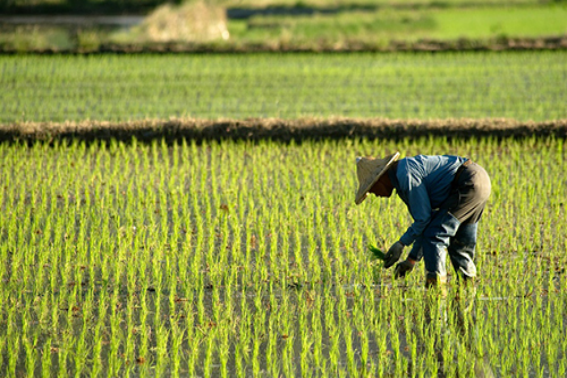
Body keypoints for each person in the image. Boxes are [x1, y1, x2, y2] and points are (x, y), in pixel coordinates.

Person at [355, 152, 491, 288]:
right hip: (480, 180)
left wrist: (401, 243)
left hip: (467, 182)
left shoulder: (405, 175)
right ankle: (468, 290)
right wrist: (411, 260)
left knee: (435, 236)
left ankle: (436, 292)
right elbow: (426, 223)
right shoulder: (403, 173)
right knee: (460, 246)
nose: (374, 194)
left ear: (380, 179)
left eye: (371, 188)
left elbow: (424, 221)